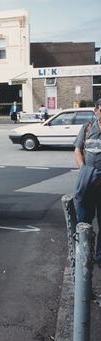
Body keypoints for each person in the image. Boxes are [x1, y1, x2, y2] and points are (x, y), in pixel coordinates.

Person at [73, 97, 101, 266]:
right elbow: (77, 150)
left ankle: (99, 257)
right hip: (88, 182)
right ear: (96, 110)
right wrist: (84, 170)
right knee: (84, 221)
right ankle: (84, 254)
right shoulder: (87, 127)